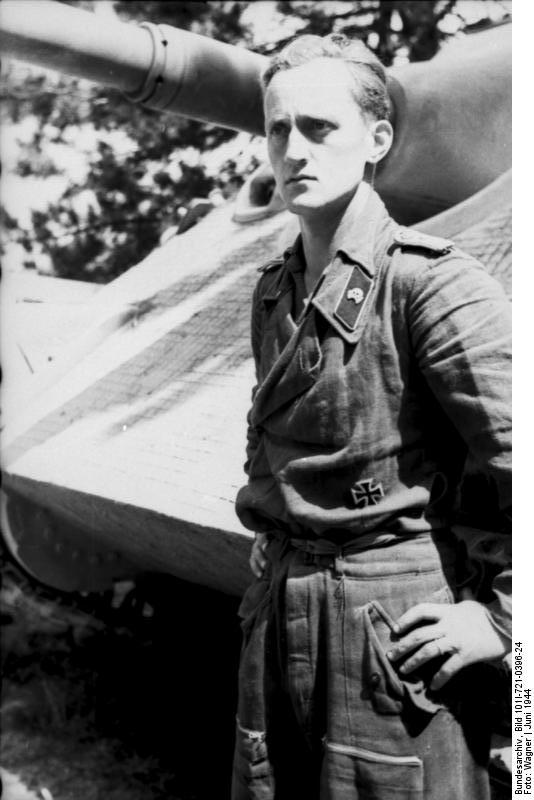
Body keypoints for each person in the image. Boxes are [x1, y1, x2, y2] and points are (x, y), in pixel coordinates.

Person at [232, 33, 511, 800]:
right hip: (281, 615)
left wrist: (503, 620)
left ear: (377, 139)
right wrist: (278, 528)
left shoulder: (429, 283)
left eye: (319, 128)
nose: (293, 150)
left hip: (390, 631)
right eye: (278, 129)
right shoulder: (273, 291)